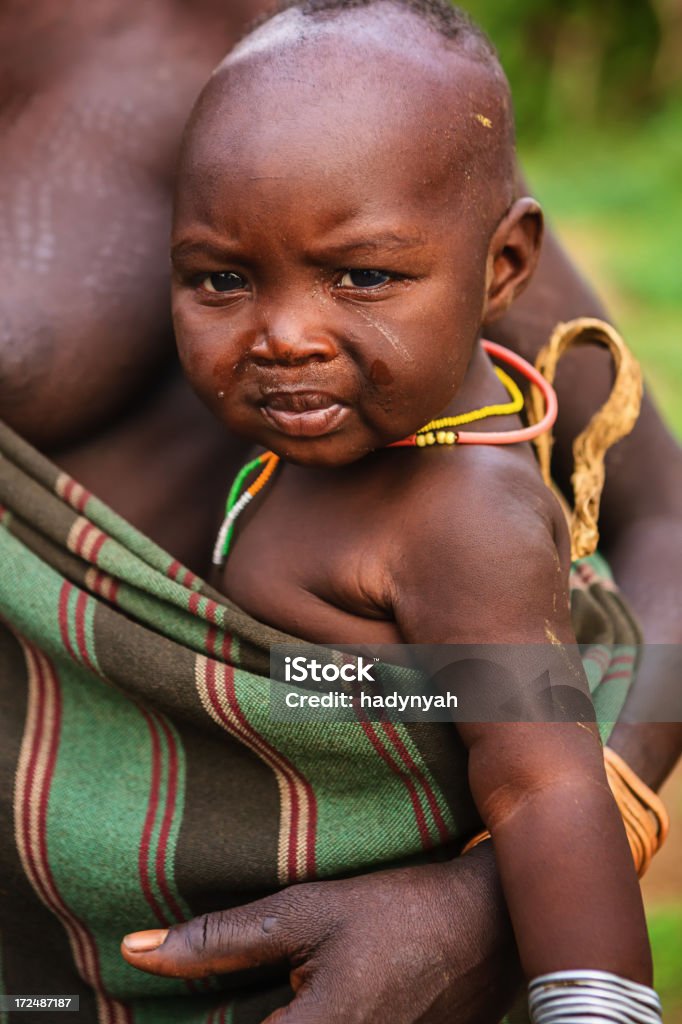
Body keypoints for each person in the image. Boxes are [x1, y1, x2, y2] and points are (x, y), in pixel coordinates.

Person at [0, 1, 679, 1022]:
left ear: (502, 270)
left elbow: (545, 786)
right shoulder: (303, 459)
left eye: (359, 277)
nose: (282, 335)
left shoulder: (464, 520)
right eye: (221, 280)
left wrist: (572, 988)